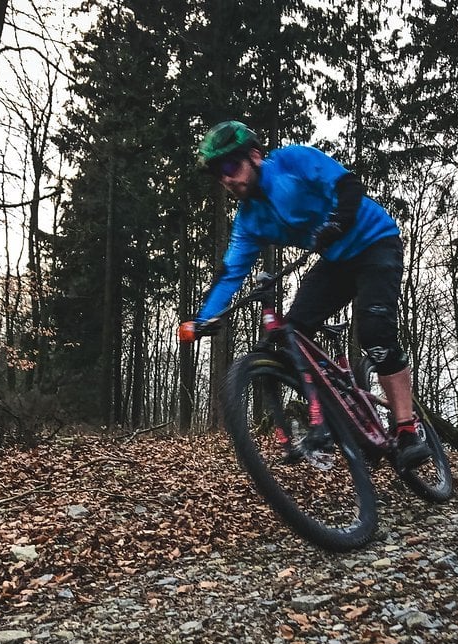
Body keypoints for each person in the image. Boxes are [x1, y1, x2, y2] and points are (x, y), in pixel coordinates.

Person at [178, 120, 430, 469]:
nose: (226, 178)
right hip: (336, 260)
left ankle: (406, 428)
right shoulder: (249, 219)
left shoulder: (292, 161)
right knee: (291, 334)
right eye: (218, 174)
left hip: (375, 244)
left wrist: (338, 222)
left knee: (375, 334)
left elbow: (347, 184)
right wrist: (207, 317)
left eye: (229, 166)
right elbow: (231, 271)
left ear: (254, 156)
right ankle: (339, 414)